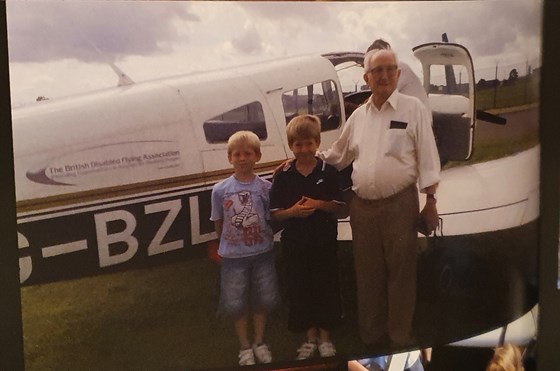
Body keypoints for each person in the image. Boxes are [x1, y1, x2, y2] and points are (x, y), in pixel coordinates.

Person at [320, 48, 441, 348]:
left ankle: (400, 337)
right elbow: (338, 154)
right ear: (366, 78)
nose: (384, 75)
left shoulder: (413, 109)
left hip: (400, 205)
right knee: (368, 276)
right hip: (362, 209)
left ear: (398, 74)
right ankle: (372, 337)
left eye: (390, 69)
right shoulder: (359, 115)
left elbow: (428, 157)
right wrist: (304, 159)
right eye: (377, 71)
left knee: (401, 276)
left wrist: (431, 201)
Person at [269, 114, 346, 360]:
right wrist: (293, 212)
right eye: (298, 145)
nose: (304, 149)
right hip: (295, 243)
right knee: (300, 288)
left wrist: (319, 204)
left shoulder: (330, 172)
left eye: (309, 143)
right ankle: (309, 338)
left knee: (325, 286)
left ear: (317, 142)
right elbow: (276, 215)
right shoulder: (282, 174)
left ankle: (325, 338)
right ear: (291, 146)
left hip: (323, 240)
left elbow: (341, 207)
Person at [210, 131, 280, 366]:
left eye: (247, 153)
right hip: (233, 256)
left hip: (263, 253)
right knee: (235, 302)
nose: (242, 158)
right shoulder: (220, 190)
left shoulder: (266, 188)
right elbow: (218, 221)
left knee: (265, 298)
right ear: (229, 158)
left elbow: (272, 216)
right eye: (237, 154)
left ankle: (259, 341)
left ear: (257, 156)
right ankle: (244, 346)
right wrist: (226, 243)